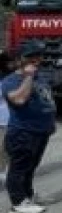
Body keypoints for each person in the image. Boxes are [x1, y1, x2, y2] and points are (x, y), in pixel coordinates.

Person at [3, 41, 56, 213]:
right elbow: (19, 100)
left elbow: (46, 100)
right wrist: (28, 77)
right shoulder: (10, 81)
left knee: (31, 167)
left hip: (41, 130)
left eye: (38, 56)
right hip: (22, 131)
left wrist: (50, 123)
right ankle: (18, 202)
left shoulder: (41, 77)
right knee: (19, 168)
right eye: (31, 57)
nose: (36, 60)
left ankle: (29, 195)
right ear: (20, 59)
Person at [0, 50, 12, 188]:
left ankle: (4, 173)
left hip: (7, 120)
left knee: (4, 148)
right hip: (5, 119)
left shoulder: (8, 79)